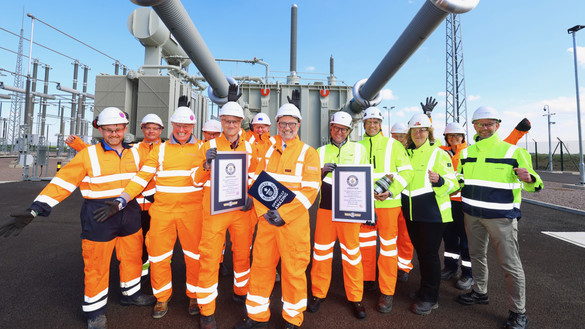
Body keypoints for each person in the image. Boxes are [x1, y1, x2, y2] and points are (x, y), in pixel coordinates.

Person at [0, 107, 156, 329]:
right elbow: (63, 182)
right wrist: (36, 208)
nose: (114, 134)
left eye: (118, 129)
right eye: (109, 130)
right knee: (96, 265)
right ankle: (95, 312)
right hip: (99, 216)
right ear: (100, 130)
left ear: (125, 129)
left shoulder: (137, 153)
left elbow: (147, 183)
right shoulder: (88, 155)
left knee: (132, 258)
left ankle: (131, 294)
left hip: (129, 213)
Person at [101, 106, 205, 319]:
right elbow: (142, 176)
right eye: (178, 125)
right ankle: (162, 297)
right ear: (173, 126)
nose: (182, 129)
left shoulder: (203, 148)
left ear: (193, 127)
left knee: (194, 256)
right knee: (158, 256)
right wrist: (123, 198)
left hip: (192, 212)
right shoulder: (161, 150)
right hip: (163, 212)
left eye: (187, 126)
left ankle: (194, 295)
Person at [233, 103, 321, 329]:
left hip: (293, 224)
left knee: (293, 270)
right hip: (267, 222)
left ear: (299, 125)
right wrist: (265, 212)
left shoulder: (308, 153)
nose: (288, 127)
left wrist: (283, 214)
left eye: (292, 123)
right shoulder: (267, 150)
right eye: (283, 123)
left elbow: (310, 191)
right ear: (277, 124)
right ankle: (256, 315)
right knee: (261, 267)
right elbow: (257, 183)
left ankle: (292, 318)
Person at [456, 106, 542, 329]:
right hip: (472, 215)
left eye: (489, 124)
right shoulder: (466, 153)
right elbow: (459, 181)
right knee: (476, 255)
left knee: (510, 265)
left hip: (502, 218)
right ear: (473, 126)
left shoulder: (513, 152)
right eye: (480, 124)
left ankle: (518, 312)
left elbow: (534, 184)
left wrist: (530, 179)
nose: (484, 128)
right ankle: (480, 292)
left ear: (497, 125)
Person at [193, 101, 259, 329]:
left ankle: (241, 292)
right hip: (215, 211)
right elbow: (193, 179)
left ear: (241, 123)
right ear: (221, 121)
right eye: (226, 121)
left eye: (234, 121)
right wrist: (205, 164)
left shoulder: (251, 147)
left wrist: (251, 196)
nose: (230, 125)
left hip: (241, 211)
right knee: (210, 257)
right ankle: (207, 309)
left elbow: (256, 175)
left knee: (242, 253)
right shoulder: (208, 145)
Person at [308, 111, 368, 319]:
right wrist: (322, 171)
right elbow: (310, 181)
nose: (339, 132)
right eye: (335, 128)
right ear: (330, 129)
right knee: (321, 253)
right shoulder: (320, 151)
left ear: (349, 131)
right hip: (326, 209)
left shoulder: (359, 150)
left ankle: (356, 298)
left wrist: (367, 209)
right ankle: (318, 293)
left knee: (352, 255)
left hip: (351, 212)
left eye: (343, 129)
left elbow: (365, 181)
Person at [402, 113, 459, 315]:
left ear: (429, 132)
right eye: (415, 130)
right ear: (410, 133)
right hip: (412, 213)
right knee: (422, 254)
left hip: (433, 214)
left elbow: (454, 183)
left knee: (429, 255)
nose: (419, 133)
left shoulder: (439, 154)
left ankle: (431, 298)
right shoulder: (406, 153)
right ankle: (424, 289)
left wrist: (441, 181)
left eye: (423, 129)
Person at [358, 107, 413, 314]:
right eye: (368, 122)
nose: (372, 125)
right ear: (363, 124)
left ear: (381, 125)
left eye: (375, 122)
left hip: (388, 205)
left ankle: (387, 291)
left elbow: (407, 172)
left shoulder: (394, 145)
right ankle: (367, 279)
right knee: (365, 244)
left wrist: (390, 192)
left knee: (388, 248)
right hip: (365, 206)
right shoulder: (358, 146)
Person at [133, 113, 165, 277]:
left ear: (161, 130)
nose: (151, 131)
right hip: (137, 206)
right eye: (148, 128)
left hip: (159, 205)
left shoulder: (167, 149)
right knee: (138, 241)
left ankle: (159, 267)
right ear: (142, 129)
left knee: (158, 240)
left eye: (155, 128)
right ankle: (142, 270)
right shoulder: (133, 149)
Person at [389, 121, 414, 282]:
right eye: (395, 136)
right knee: (390, 235)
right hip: (390, 198)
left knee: (405, 235)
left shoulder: (413, 151)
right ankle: (390, 264)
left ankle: (404, 266)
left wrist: (428, 117)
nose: (398, 139)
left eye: (401, 136)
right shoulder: (388, 150)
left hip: (407, 198)